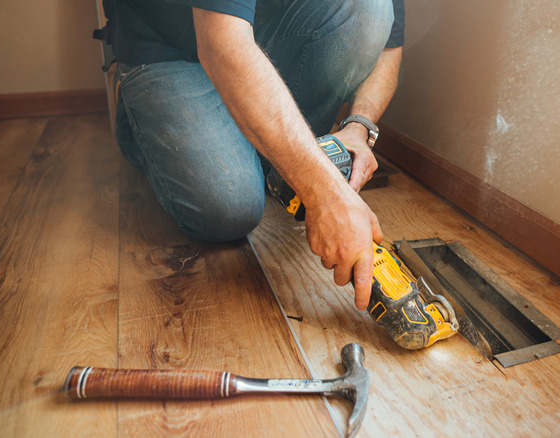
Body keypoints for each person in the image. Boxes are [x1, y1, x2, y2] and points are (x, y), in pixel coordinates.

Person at [99, 0, 404, 310]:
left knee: (373, 9)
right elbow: (223, 45)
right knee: (229, 208)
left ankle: (267, 152)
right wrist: (326, 194)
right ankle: (138, 122)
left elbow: (389, 45)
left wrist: (359, 126)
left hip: (259, 36)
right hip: (171, 46)